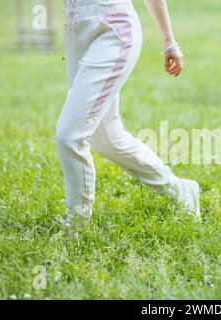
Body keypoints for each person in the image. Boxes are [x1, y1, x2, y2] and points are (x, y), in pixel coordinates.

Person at [56, 0, 200, 227]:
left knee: (70, 135)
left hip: (113, 27)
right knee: (106, 138)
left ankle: (76, 227)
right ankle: (180, 189)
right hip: (74, 27)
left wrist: (169, 40)